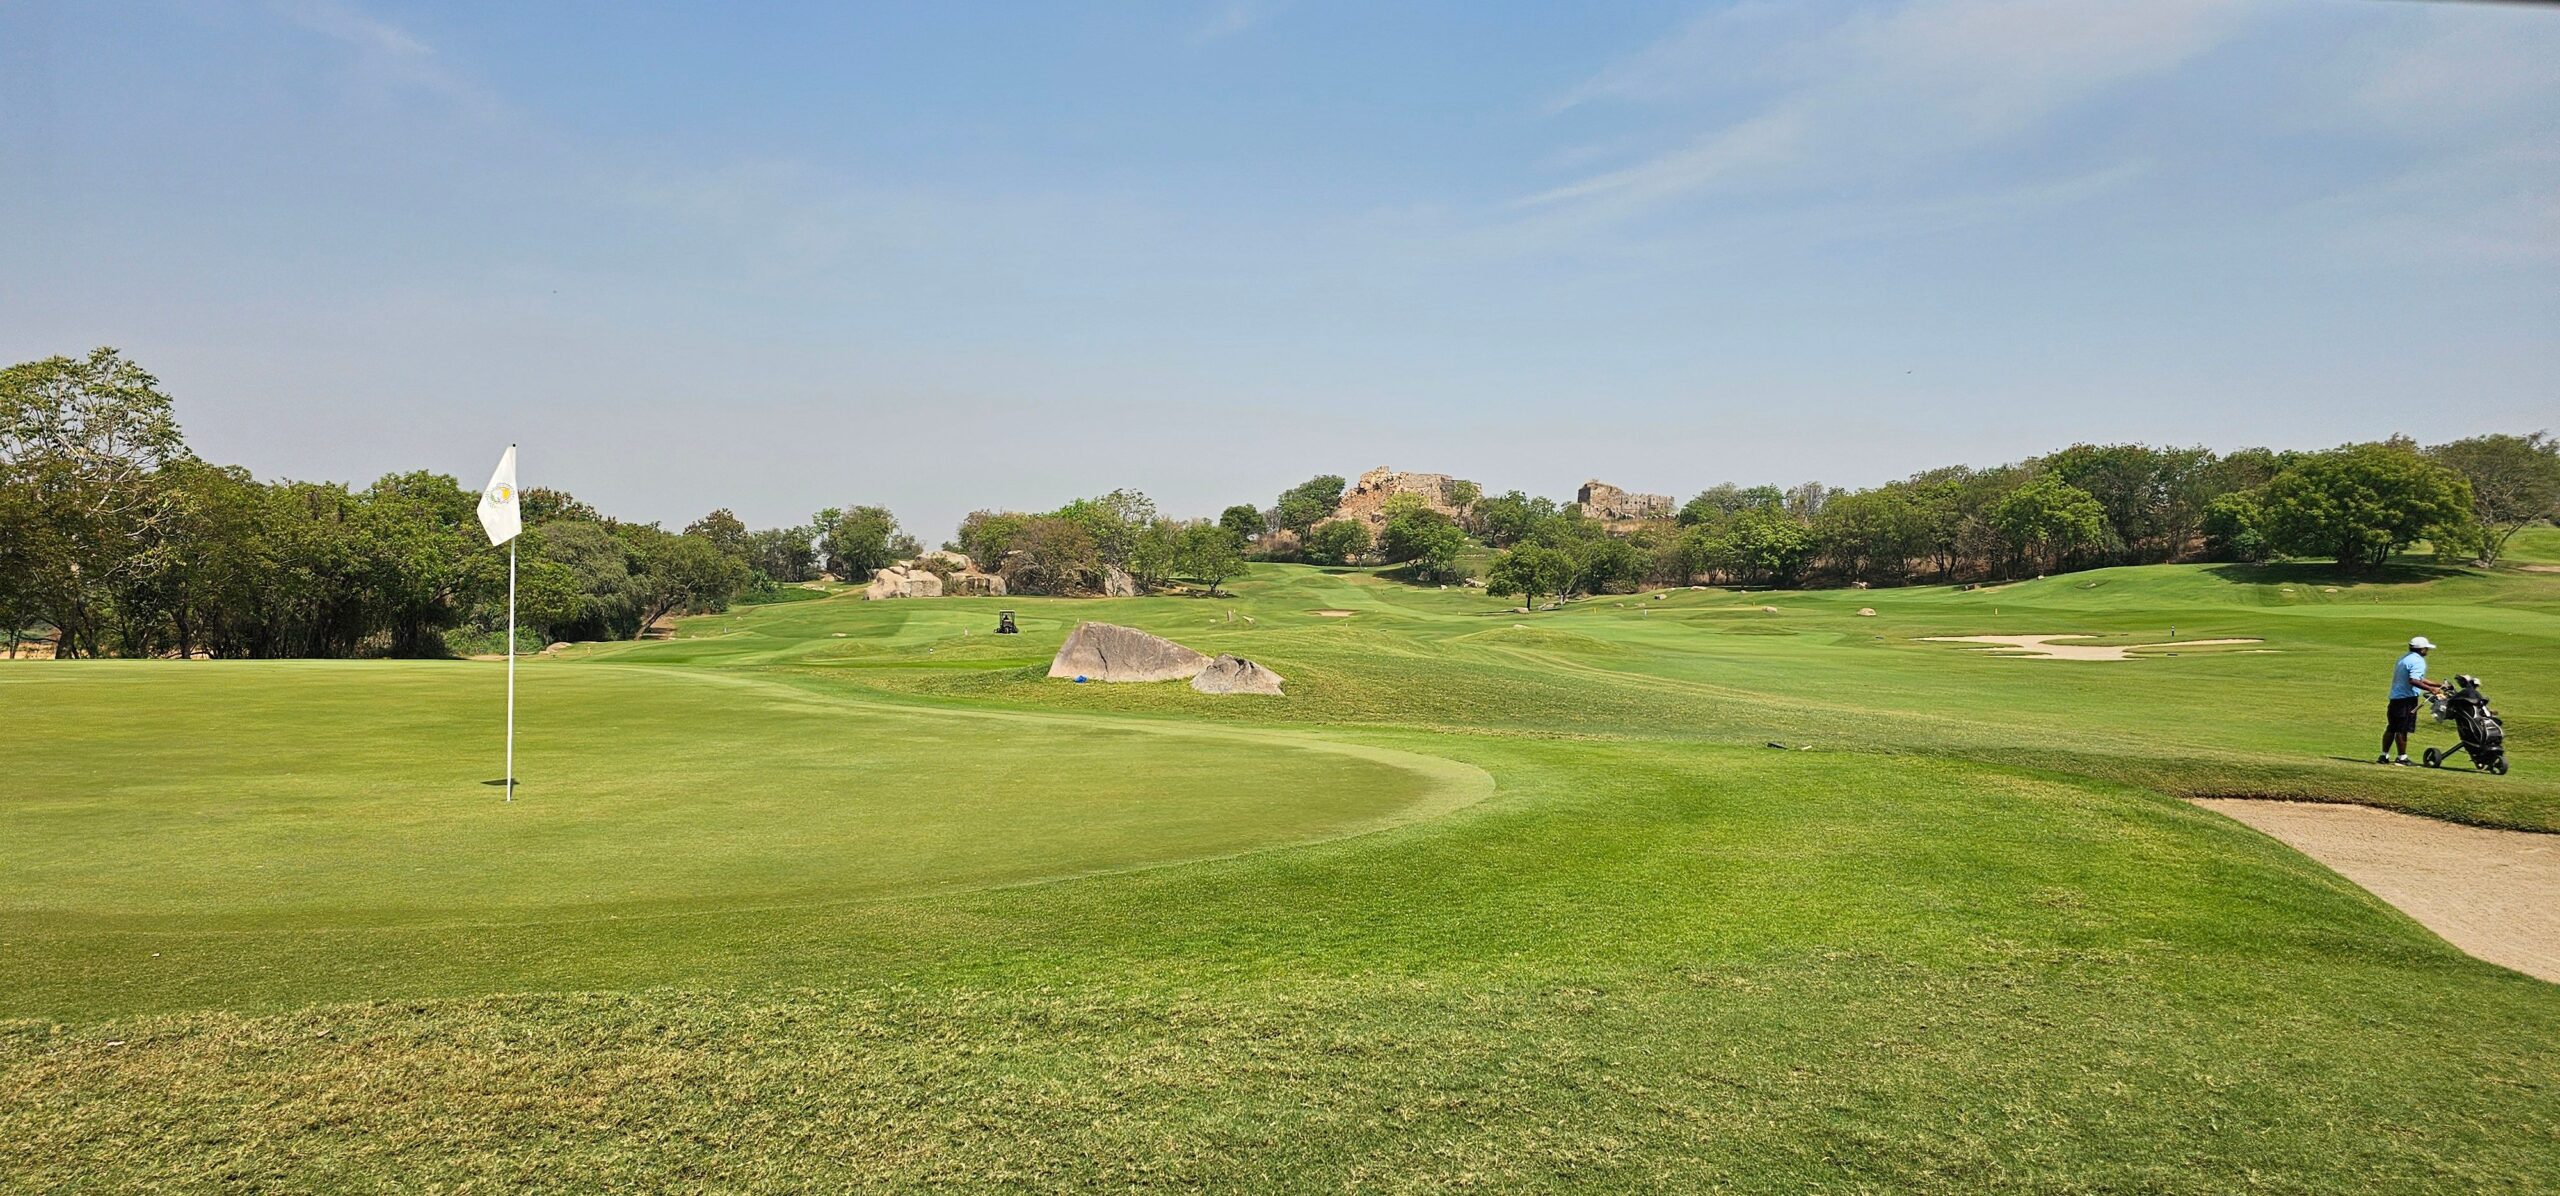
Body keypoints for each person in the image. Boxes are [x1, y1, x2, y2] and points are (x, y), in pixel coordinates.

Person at [2380, 635, 2447, 765]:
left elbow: (2419, 678)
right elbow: (2414, 680)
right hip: (2406, 699)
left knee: (2392, 728)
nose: (2427, 651)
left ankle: (2384, 756)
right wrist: (2432, 690)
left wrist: (2437, 685)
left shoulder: (2404, 658)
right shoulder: (2418, 661)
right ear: (2421, 650)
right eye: (2426, 649)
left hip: (2396, 698)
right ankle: (2402, 758)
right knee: (2402, 729)